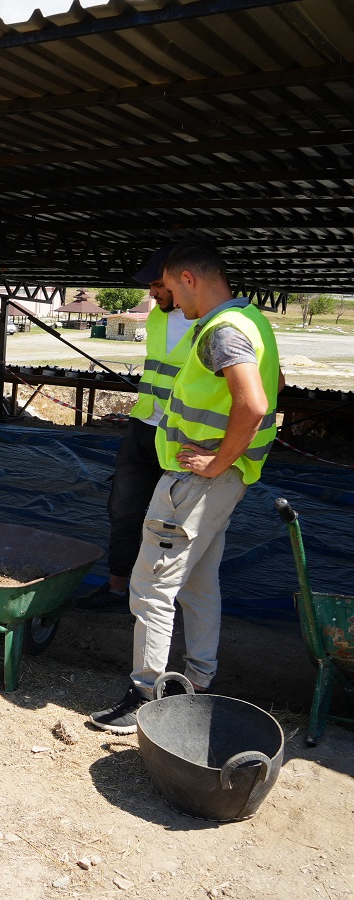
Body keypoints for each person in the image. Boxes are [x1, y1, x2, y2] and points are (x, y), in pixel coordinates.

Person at [90, 240, 281, 734]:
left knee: (151, 586)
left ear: (190, 279)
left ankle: (144, 694)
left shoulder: (220, 330)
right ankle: (197, 679)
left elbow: (255, 404)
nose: (166, 296)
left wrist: (217, 462)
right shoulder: (252, 320)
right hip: (222, 482)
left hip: (195, 481)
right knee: (198, 581)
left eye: (170, 286)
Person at [78, 246, 193, 610]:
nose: (152, 293)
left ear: (182, 282)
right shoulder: (158, 318)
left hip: (181, 436)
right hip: (144, 427)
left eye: (159, 284)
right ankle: (117, 588)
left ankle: (162, 600)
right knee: (124, 509)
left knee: (174, 523)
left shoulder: (212, 323)